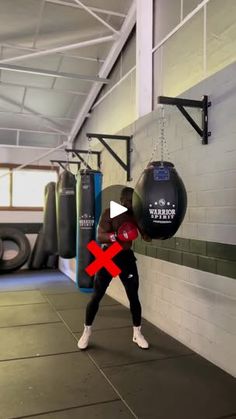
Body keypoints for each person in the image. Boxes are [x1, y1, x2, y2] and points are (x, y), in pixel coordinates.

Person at [77, 187, 151, 350]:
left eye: (135, 201)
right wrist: (117, 235)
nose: (132, 204)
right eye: (130, 201)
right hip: (108, 255)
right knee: (96, 296)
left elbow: (146, 237)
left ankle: (137, 333)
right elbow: (99, 236)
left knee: (133, 296)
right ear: (122, 200)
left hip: (126, 256)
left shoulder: (136, 215)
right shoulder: (109, 212)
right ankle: (86, 331)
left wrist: (153, 229)